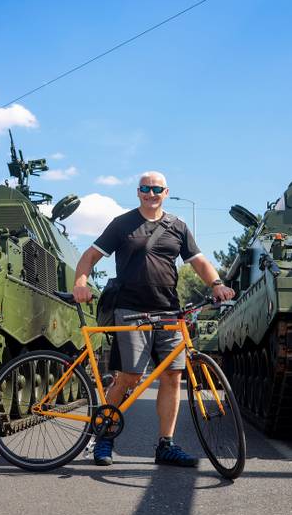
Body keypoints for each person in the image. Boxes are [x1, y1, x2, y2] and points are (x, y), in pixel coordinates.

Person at [72, 171, 235, 467]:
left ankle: (166, 445)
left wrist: (217, 284)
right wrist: (81, 282)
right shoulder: (122, 224)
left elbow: (198, 261)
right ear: (138, 192)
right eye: (145, 188)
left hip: (169, 311)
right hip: (130, 310)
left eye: (156, 188)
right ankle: (104, 437)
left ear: (166, 192)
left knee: (172, 377)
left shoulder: (178, 226)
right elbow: (90, 256)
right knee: (130, 377)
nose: (151, 193)